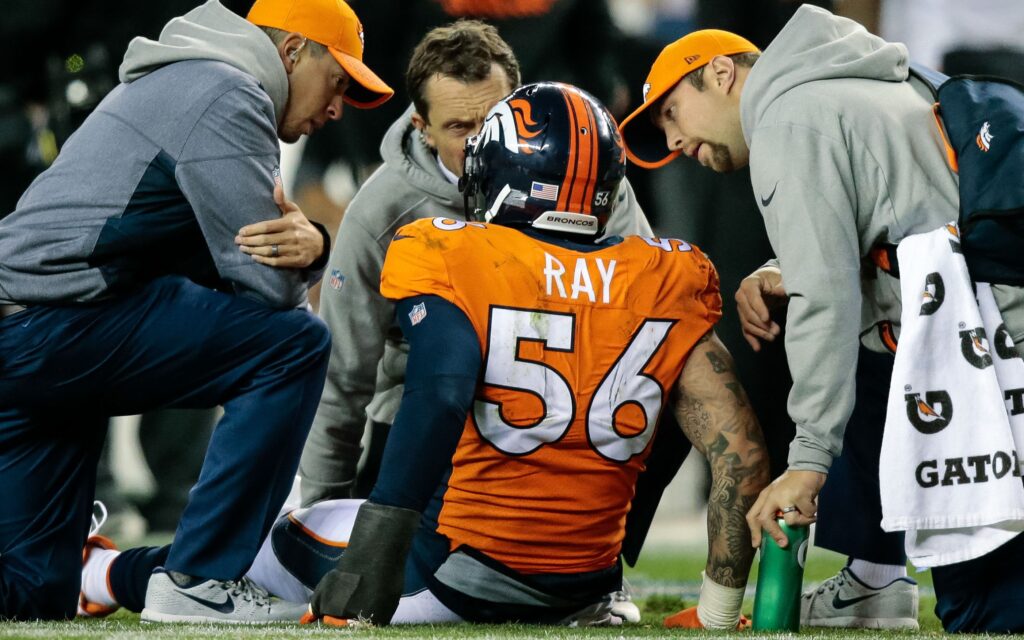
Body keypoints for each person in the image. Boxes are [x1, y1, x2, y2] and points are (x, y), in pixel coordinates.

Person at [277, 81, 767, 628]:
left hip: (460, 577)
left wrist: (371, 566)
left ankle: (174, 581)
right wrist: (719, 615)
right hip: (588, 586)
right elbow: (740, 454)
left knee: (287, 530)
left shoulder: (454, 250)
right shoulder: (666, 274)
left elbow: (439, 395)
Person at [618, 6, 1024, 632]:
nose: (674, 144)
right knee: (869, 359)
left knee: (989, 609)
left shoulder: (786, 118)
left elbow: (825, 299)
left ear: (722, 73)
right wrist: (787, 267)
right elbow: (898, 214)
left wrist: (806, 463)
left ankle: (878, 579)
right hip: (994, 310)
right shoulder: (852, 78)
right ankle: (874, 580)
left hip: (997, 340)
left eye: (672, 113)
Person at [0, 0, 394, 623]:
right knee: (294, 344)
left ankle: (123, 573)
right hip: (51, 327)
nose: (336, 108)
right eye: (338, 82)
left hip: (37, 334)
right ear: (292, 51)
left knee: (31, 595)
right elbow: (268, 289)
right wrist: (315, 247)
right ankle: (198, 578)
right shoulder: (228, 93)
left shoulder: (193, 76)